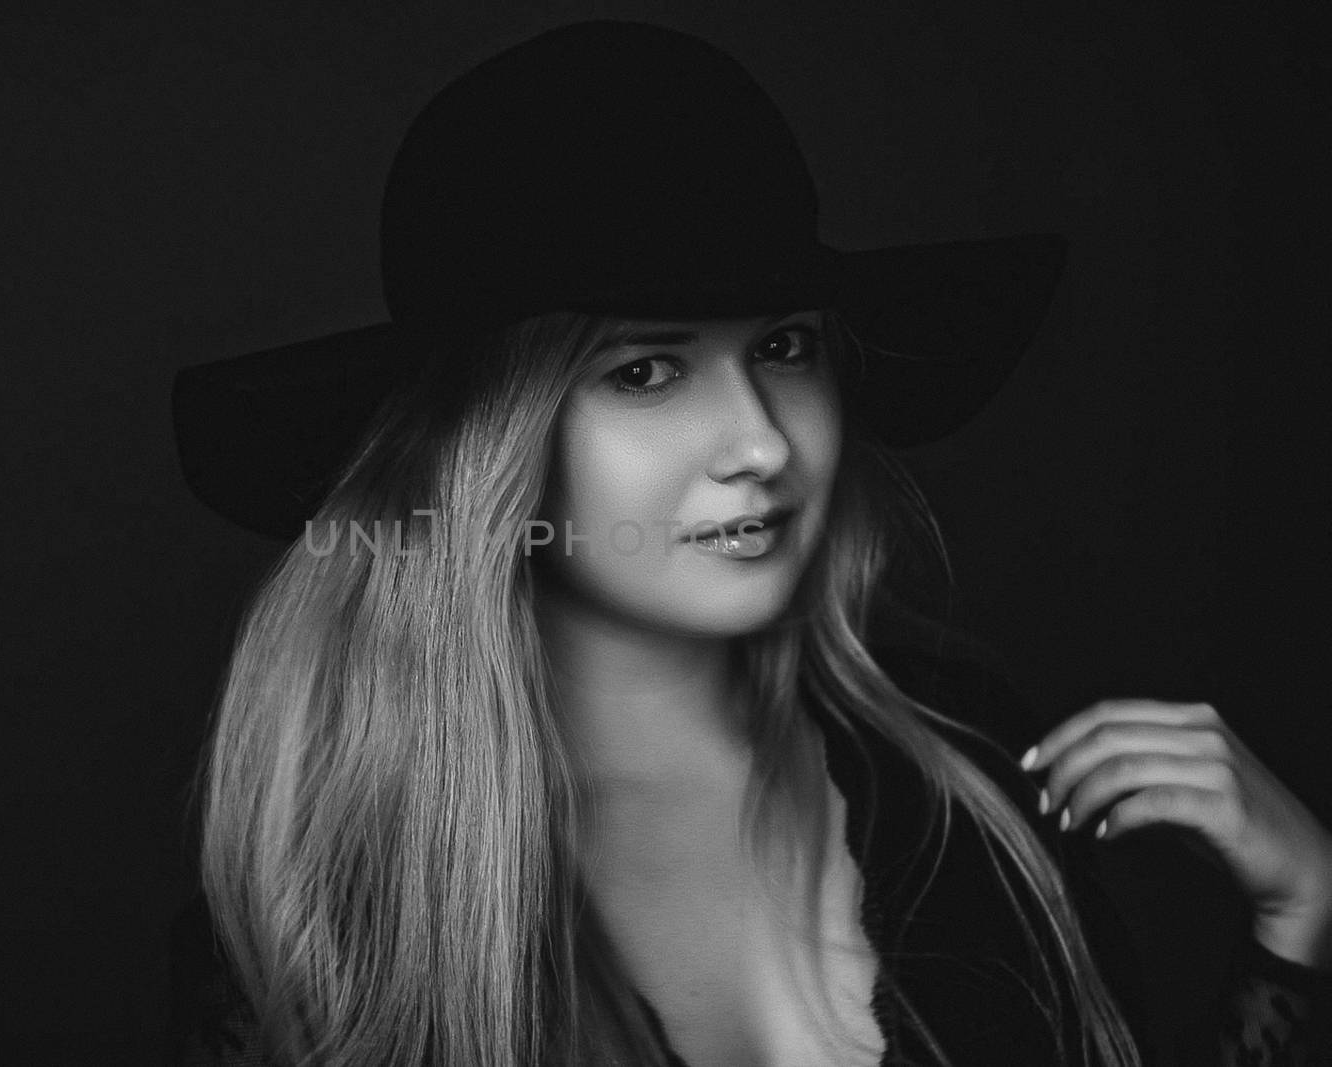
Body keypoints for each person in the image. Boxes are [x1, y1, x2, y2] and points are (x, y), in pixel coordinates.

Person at [168, 20, 1332, 1066]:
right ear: (485, 450)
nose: (761, 443)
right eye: (644, 370)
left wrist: (1295, 930)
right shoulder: (320, 908)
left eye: (782, 348)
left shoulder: (966, 768)